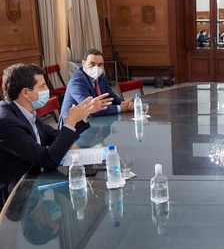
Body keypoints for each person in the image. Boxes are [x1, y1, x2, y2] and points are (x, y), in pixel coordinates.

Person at [0, 64, 107, 211]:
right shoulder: (6, 122)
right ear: (26, 92)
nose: (47, 91)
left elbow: (53, 136)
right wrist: (69, 122)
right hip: (18, 196)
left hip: (36, 178)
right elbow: (48, 160)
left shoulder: (26, 110)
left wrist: (81, 115)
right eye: (42, 86)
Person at [59, 49, 133, 125]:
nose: (96, 68)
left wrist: (123, 103)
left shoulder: (101, 76)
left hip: (95, 121)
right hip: (73, 126)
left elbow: (110, 95)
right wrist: (122, 108)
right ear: (83, 63)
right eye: (92, 64)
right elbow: (91, 108)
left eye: (100, 65)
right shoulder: (77, 82)